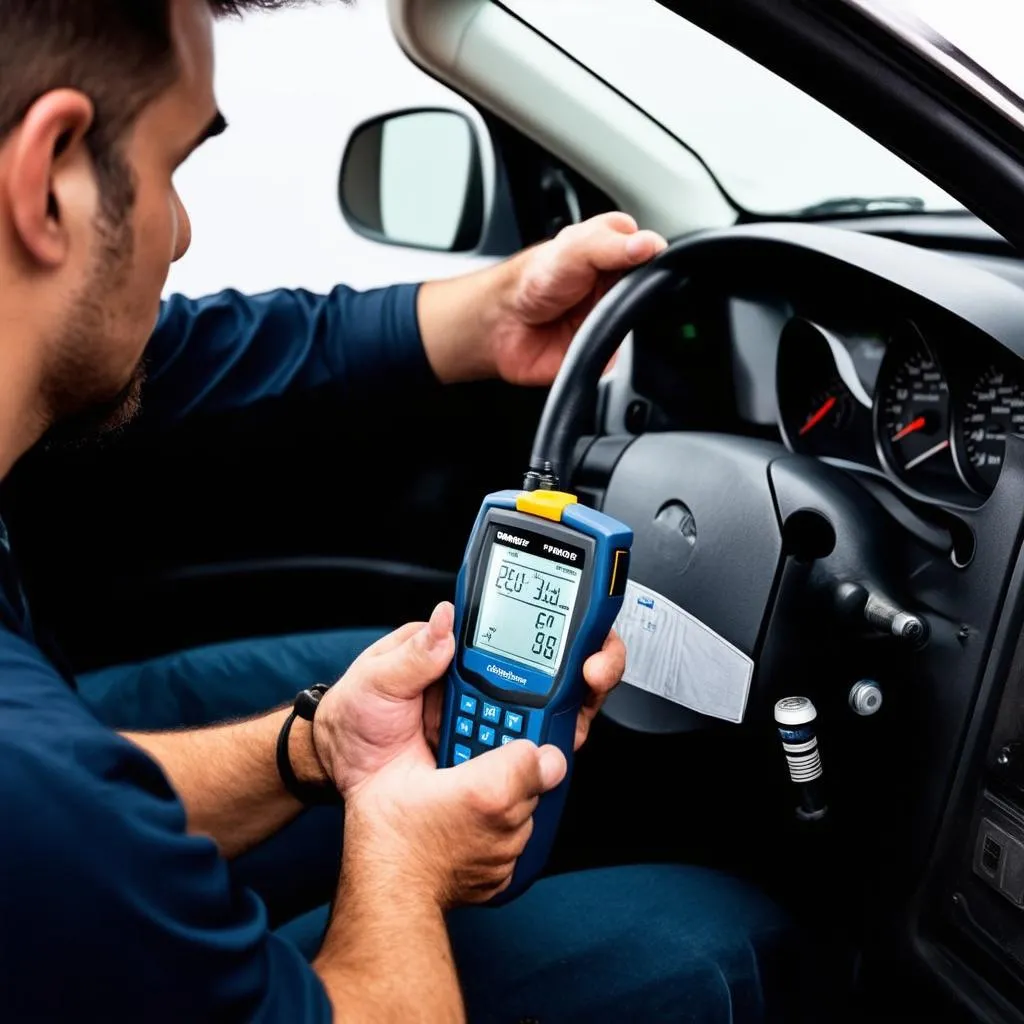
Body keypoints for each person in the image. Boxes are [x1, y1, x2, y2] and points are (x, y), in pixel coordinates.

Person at [0, 1, 805, 1021]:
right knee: (715, 938)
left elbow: (197, 348)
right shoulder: (38, 791)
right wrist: (402, 861)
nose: (185, 231)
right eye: (172, 167)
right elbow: (64, 808)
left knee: (352, 685)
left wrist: (319, 744)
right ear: (51, 174)